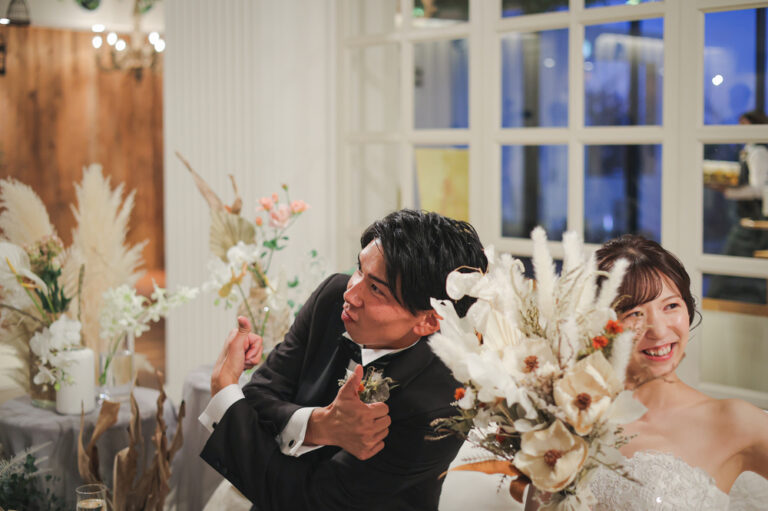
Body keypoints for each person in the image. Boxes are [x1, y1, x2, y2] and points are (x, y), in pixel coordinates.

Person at [199, 209, 488, 511]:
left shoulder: (439, 404)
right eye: (360, 269)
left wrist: (224, 389)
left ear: (428, 321)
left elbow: (311, 501)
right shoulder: (333, 297)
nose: (352, 293)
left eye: (376, 288)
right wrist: (317, 425)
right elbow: (259, 397)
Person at [586, 234, 768, 509]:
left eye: (671, 306)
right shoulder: (566, 417)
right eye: (634, 313)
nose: (659, 331)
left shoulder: (734, 421)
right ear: (601, 326)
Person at [708, 109, 768, 302]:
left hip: (755, 220)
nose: (740, 129)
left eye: (744, 125)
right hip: (748, 218)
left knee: (733, 265)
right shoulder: (749, 151)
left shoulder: (758, 151)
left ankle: (714, 301)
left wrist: (728, 192)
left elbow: (759, 189)